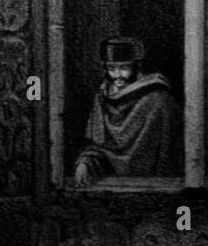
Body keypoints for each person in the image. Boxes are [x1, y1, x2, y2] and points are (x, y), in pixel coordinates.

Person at [74, 36, 182, 186]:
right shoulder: (102, 97)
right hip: (110, 183)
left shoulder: (157, 101)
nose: (117, 75)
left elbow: (168, 153)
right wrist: (85, 163)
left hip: (153, 184)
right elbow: (98, 145)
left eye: (124, 68)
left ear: (136, 67)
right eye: (112, 68)